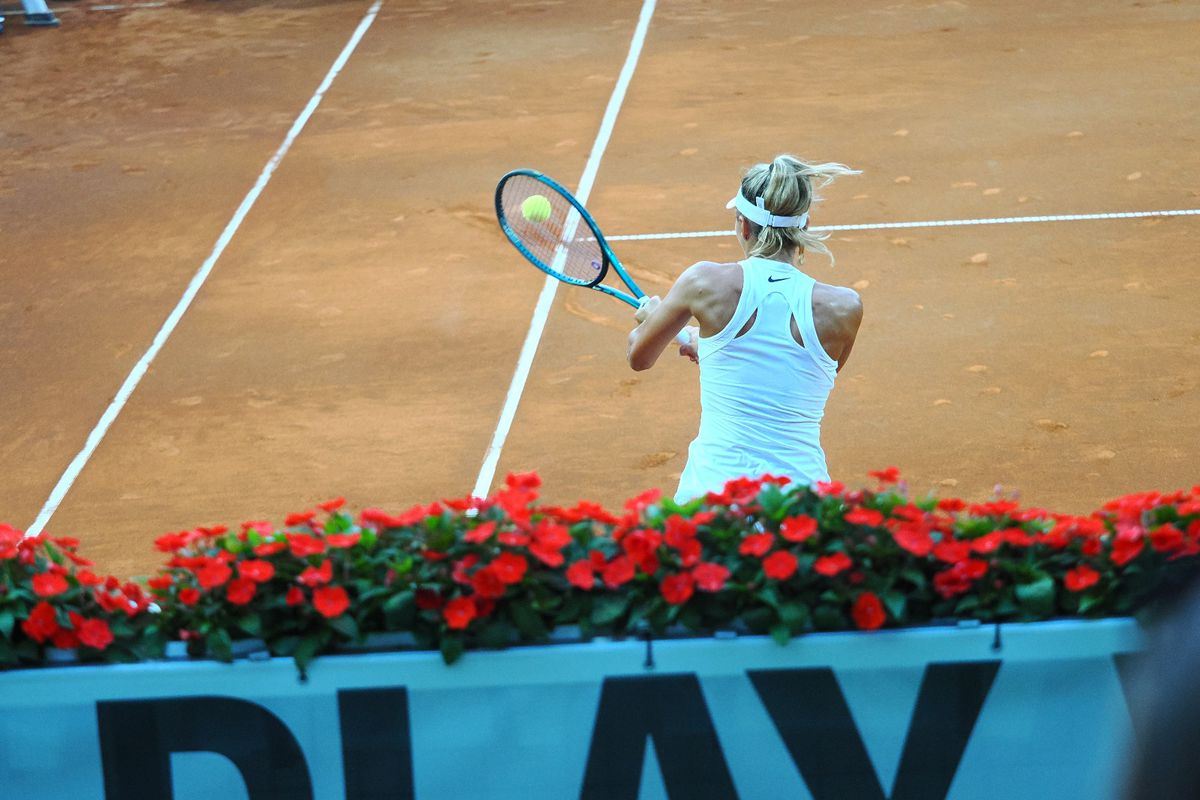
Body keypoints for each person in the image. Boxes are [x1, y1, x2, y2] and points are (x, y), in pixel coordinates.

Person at [626, 154, 863, 503]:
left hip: (712, 502)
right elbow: (797, 373)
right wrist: (708, 346)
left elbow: (639, 357)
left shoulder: (703, 282)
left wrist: (652, 319)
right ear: (804, 227)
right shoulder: (844, 307)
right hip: (800, 506)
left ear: (744, 226)